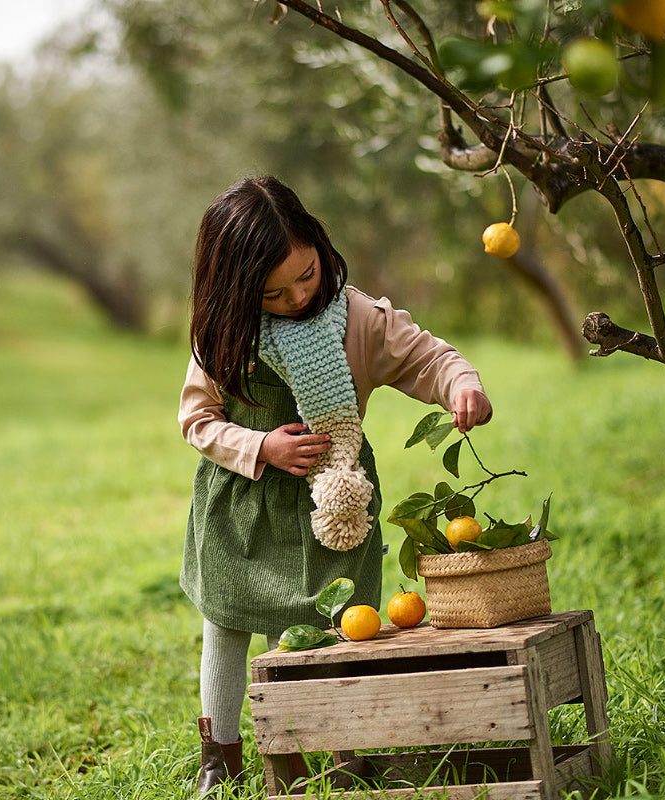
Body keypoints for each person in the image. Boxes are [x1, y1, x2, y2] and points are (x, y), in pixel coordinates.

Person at [178, 176, 492, 796]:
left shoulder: (357, 318)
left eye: (307, 275)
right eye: (273, 292)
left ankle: (335, 747)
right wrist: (260, 444)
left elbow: (426, 357)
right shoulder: (221, 334)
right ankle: (222, 752)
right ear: (237, 289)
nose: (297, 296)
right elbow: (197, 420)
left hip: (335, 499)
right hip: (241, 504)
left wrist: (461, 385)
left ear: (320, 247)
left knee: (333, 622)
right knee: (229, 621)